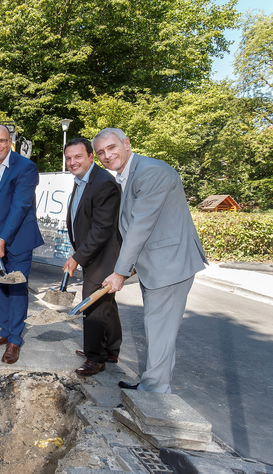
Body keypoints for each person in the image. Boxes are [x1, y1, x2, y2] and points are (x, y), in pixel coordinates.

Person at [94, 128, 208, 393]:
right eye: (101, 152)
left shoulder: (150, 171)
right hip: (157, 264)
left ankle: (154, 395)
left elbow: (140, 226)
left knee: (159, 332)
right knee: (157, 330)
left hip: (170, 264)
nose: (107, 156)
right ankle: (152, 384)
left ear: (127, 143)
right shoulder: (127, 174)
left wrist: (120, 272)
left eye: (112, 148)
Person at [0, 124, 44, 364]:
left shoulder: (26, 168)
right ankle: (4, 332)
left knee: (16, 287)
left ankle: (15, 339)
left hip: (18, 238)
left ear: (10, 142)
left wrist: (3, 240)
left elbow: (20, 207)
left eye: (1, 141)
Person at [63, 137, 122, 376]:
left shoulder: (103, 183)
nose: (72, 162)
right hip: (91, 251)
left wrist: (78, 257)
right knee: (106, 301)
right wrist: (76, 251)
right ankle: (111, 348)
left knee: (93, 303)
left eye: (78, 157)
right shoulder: (83, 181)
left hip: (104, 255)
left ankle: (95, 358)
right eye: (68, 158)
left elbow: (102, 229)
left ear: (90, 157)